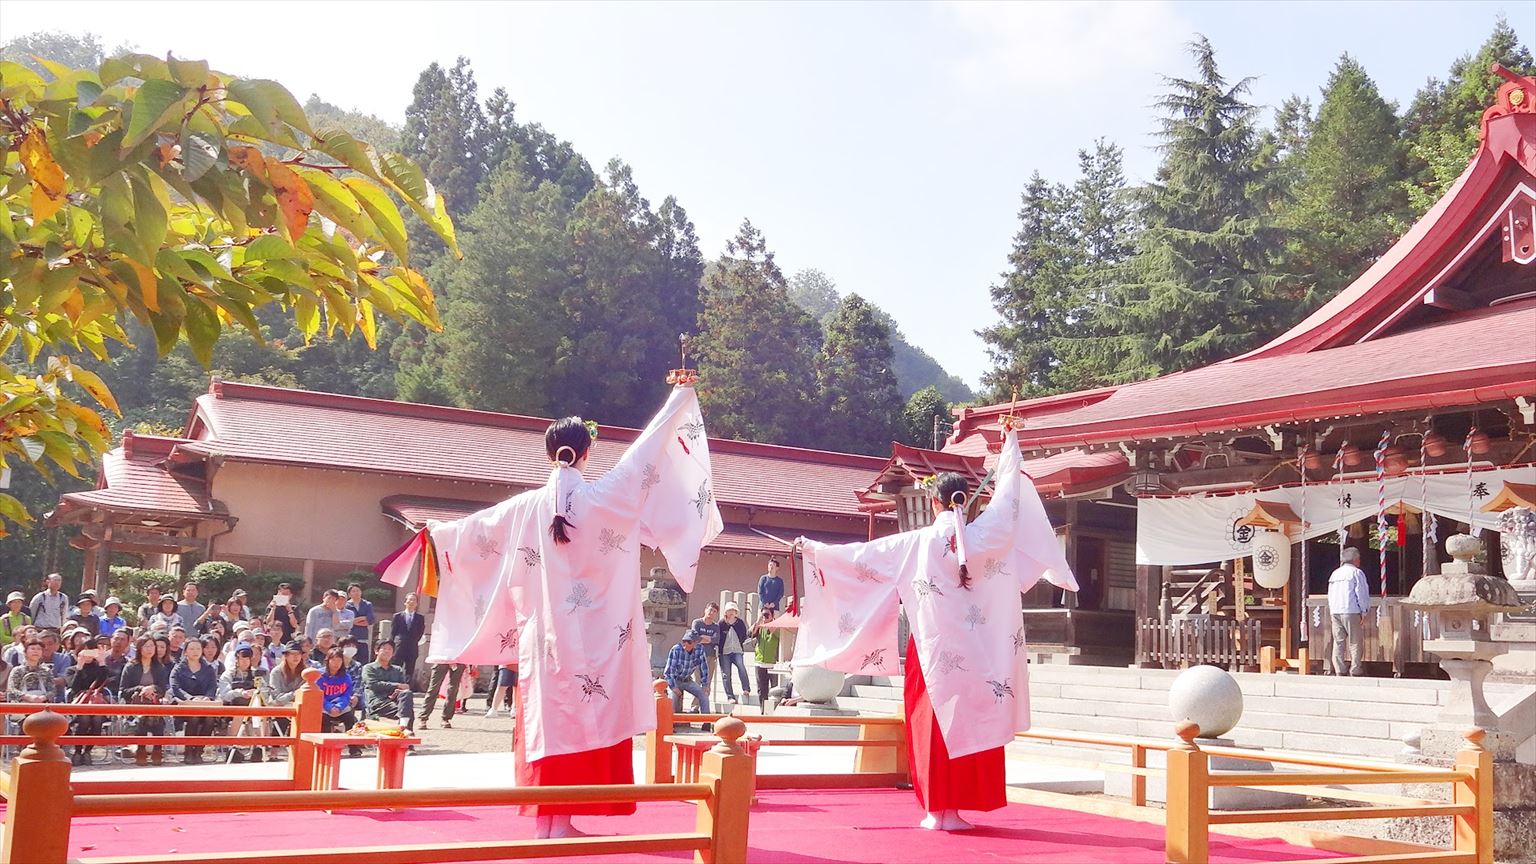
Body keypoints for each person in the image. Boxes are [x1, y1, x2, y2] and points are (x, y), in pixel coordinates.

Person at [410, 382, 720, 839]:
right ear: (587, 451)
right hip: (597, 643)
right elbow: (647, 455)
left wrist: (437, 534)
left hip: (544, 643)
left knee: (546, 725)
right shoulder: (604, 496)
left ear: (550, 452)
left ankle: (550, 823)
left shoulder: (525, 507)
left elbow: (475, 531)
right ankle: (563, 820)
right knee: (586, 720)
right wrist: (679, 398)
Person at [793, 425, 1078, 831]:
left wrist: (813, 549)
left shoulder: (916, 543)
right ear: (966, 499)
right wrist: (1009, 445)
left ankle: (937, 810)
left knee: (932, 725)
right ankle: (958, 808)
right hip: (984, 658)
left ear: (933, 500)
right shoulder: (992, 534)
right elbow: (1011, 499)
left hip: (933, 653)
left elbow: (858, 558)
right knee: (973, 720)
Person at [119, 634, 170, 765]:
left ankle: (157, 751)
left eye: (152, 646)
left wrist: (152, 688)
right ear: (139, 648)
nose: (150, 649)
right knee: (143, 717)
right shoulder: (130, 667)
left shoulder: (159, 667)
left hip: (154, 703)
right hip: (134, 704)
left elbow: (163, 689)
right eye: (146, 646)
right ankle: (141, 751)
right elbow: (123, 691)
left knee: (156, 718)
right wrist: (141, 689)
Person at [168, 636, 219, 763]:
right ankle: (189, 751)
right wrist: (191, 698)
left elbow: (213, 686)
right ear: (185, 652)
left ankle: (199, 750)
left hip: (204, 704)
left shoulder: (208, 669)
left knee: (210, 718)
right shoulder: (178, 669)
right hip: (184, 705)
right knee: (194, 716)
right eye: (191, 649)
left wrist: (207, 697)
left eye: (198, 648)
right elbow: (175, 688)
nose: (195, 651)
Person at [65, 646, 113, 764]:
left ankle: (88, 751)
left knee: (97, 719)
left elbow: (105, 682)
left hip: (97, 702)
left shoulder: (99, 668)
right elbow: (73, 688)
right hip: (80, 703)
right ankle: (77, 750)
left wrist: (102, 662)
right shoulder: (71, 670)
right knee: (84, 719)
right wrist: (79, 667)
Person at [218, 643, 266, 762]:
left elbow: (266, 691)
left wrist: (257, 692)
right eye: (242, 657)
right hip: (232, 708)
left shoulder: (257, 675)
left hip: (254, 707)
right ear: (236, 658)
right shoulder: (228, 675)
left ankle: (258, 746)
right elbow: (225, 694)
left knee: (262, 715)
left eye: (248, 658)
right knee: (239, 714)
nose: (245, 661)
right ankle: (232, 747)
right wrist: (240, 693)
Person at [1328, 546, 1371, 677]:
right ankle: (1355, 669)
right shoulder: (1356, 573)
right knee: (1355, 641)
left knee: (1338, 641)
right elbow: (1361, 593)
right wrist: (1364, 611)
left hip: (1335, 610)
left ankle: (1339, 669)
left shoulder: (1335, 573)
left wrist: (1331, 610)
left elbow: (1330, 593)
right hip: (1351, 610)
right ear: (1356, 560)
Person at [316, 647, 362, 756]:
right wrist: (329, 707)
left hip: (341, 706)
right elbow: (319, 694)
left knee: (351, 718)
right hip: (324, 706)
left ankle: (354, 747)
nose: (336, 663)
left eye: (339, 660)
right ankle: (326, 747)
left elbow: (346, 695)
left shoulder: (346, 677)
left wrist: (339, 706)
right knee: (323, 720)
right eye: (333, 660)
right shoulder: (320, 675)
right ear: (328, 660)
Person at [362, 640, 415, 731]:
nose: (387, 651)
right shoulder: (369, 668)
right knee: (407, 711)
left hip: (395, 700)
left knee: (406, 695)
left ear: (393, 653)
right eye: (384, 649)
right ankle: (405, 731)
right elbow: (373, 685)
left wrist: (399, 690)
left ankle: (403, 730)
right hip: (378, 702)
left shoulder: (397, 669)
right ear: (376, 651)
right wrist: (396, 685)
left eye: (390, 649)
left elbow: (404, 686)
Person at [664, 631, 711, 718]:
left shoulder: (700, 649)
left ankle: (706, 721)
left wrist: (704, 685)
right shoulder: (676, 650)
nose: (687, 644)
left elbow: (703, 668)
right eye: (686, 641)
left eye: (690, 642)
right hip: (675, 680)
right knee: (672, 698)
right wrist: (673, 687)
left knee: (704, 695)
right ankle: (670, 723)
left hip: (688, 680)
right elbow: (669, 672)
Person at [718, 602, 751, 704]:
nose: (732, 612)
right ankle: (730, 696)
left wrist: (739, 642)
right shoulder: (721, 623)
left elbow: (744, 635)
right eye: (730, 610)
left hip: (737, 650)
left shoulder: (740, 623)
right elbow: (718, 637)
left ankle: (746, 688)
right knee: (726, 674)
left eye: (733, 610)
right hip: (724, 652)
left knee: (741, 667)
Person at [416, 661, 465, 729]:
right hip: (442, 658)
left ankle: (446, 718)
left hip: (458, 659)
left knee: (453, 690)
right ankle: (423, 717)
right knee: (433, 688)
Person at [689, 602, 721, 700]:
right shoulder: (697, 623)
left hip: (710, 656)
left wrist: (703, 637)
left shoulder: (716, 627)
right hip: (697, 656)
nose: (712, 613)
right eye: (710, 610)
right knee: (698, 681)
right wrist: (708, 639)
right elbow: (694, 637)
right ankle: (695, 706)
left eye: (714, 611)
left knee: (706, 682)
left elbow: (716, 640)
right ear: (705, 610)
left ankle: (703, 704)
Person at [751, 605, 782, 706]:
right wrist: (759, 621)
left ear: (772, 616)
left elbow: (776, 633)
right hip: (759, 663)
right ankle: (763, 711)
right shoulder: (759, 626)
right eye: (763, 614)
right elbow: (750, 633)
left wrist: (770, 622)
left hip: (772, 664)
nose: (764, 617)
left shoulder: (776, 627)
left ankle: (774, 711)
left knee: (774, 690)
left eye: (767, 614)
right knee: (761, 690)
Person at [390, 592, 426, 679]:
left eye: (414, 600)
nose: (411, 602)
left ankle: (406, 688)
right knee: (396, 668)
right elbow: (393, 632)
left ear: (416, 604)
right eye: (409, 599)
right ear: (405, 602)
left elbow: (420, 632)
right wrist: (392, 646)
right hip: (399, 647)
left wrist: (413, 641)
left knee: (409, 671)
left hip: (412, 648)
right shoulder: (397, 616)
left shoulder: (420, 618)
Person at [7, 639, 54, 703]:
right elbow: (11, 690)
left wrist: (42, 698)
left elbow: (52, 690)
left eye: (39, 649)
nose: (36, 651)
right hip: (21, 706)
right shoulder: (17, 670)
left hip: (42, 705)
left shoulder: (46, 671)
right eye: (33, 649)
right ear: (25, 652)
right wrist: (27, 697)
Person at [345, 584, 374, 664]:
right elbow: (347, 621)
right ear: (349, 594)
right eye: (353, 591)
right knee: (349, 661)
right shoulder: (346, 605)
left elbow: (370, 620)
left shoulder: (367, 604)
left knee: (363, 661)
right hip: (350, 637)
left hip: (363, 637)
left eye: (358, 590)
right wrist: (363, 618)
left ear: (361, 592)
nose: (356, 593)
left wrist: (354, 621)